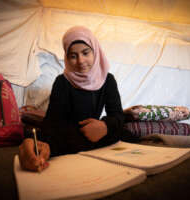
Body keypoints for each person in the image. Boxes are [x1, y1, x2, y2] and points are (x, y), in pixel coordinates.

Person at [19, 26, 124, 171]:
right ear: (67, 58)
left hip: (92, 134)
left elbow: (118, 115)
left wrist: (104, 126)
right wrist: (48, 142)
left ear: (96, 51)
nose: (81, 61)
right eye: (73, 56)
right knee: (46, 139)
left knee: (123, 131)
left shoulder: (108, 80)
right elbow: (53, 123)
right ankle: (37, 145)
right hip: (66, 134)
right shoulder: (62, 82)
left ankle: (47, 146)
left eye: (85, 53)